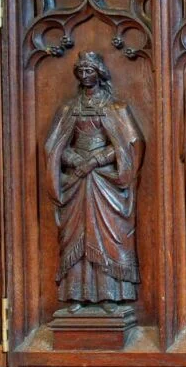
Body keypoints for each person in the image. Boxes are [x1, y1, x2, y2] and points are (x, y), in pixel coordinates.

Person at [45, 51, 145, 313]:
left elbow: (131, 143)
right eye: (81, 71)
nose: (85, 75)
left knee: (110, 235)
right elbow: (54, 146)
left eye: (90, 70)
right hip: (78, 182)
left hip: (106, 182)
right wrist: (76, 160)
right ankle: (77, 294)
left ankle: (111, 294)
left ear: (100, 73)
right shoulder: (69, 109)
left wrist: (98, 160)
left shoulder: (115, 109)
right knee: (76, 235)